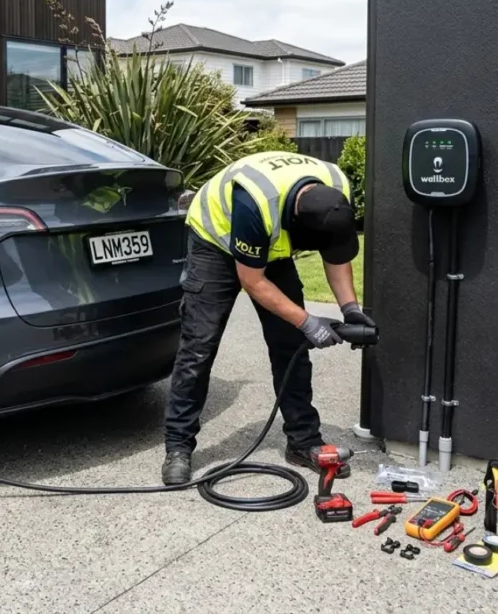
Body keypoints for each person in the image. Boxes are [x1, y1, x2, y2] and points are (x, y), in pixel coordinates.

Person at [161, 149, 375, 485]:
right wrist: (307, 321)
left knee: (291, 346)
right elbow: (252, 281)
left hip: (267, 242)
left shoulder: (336, 194)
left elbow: (336, 259)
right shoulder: (254, 202)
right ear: (294, 223)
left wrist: (351, 310)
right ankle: (178, 447)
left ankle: (304, 441)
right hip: (214, 240)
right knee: (199, 346)